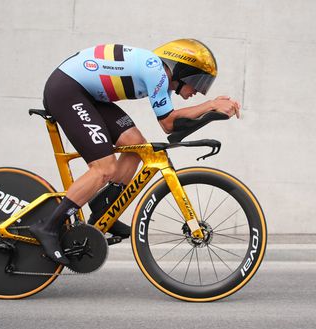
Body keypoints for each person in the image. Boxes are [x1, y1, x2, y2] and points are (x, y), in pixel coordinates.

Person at [29, 39, 241, 265]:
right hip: (67, 90)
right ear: (182, 71)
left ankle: (104, 209)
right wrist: (209, 106)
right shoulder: (156, 71)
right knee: (104, 168)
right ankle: (48, 227)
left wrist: (211, 112)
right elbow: (169, 123)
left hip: (86, 95)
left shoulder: (159, 76)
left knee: (136, 145)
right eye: (198, 81)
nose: (198, 90)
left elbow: (172, 127)